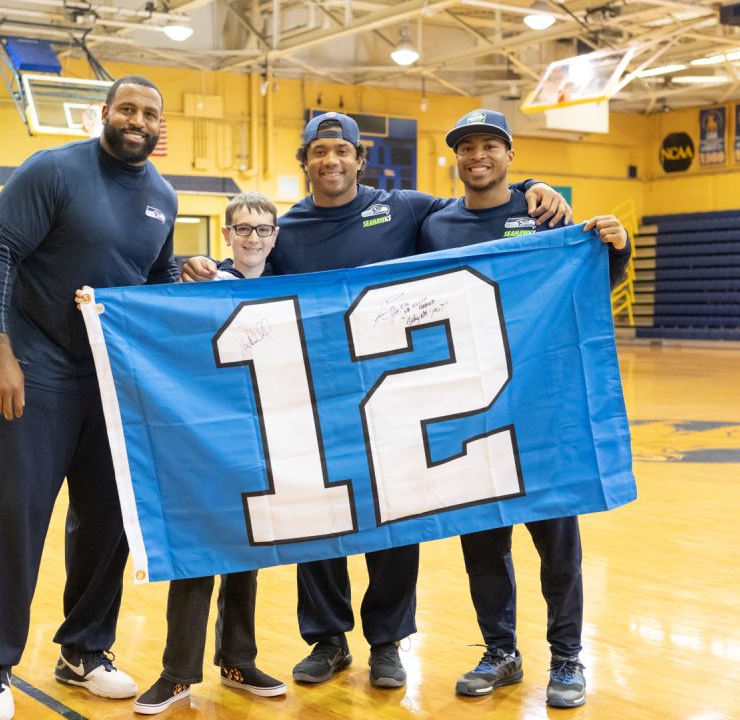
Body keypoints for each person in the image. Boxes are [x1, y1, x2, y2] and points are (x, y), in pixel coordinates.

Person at [180, 112, 573, 690]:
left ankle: (387, 642)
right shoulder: (287, 229)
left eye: (342, 150)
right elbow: (249, 278)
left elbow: (479, 202)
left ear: (361, 160)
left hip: (393, 397)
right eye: (319, 152)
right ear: (306, 162)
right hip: (318, 400)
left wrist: (527, 189)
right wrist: (202, 269)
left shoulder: (407, 209)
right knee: (318, 519)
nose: (331, 160)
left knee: (396, 522)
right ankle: (328, 639)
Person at [0, 75, 178, 720]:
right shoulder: (53, 170)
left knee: (107, 524)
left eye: (149, 113)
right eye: (128, 109)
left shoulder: (163, 196)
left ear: (158, 126)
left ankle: (84, 650)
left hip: (113, 382)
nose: (137, 120)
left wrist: (191, 277)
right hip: (39, 370)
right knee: (17, 515)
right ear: (105, 113)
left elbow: (155, 281)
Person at [418, 108, 630, 709]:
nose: (477, 156)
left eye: (489, 146)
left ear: (510, 154)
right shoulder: (436, 224)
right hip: (468, 413)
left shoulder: (541, 213)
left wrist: (616, 248)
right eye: (466, 148)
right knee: (482, 547)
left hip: (540, 408)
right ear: (455, 158)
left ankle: (566, 658)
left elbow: (584, 279)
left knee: (557, 545)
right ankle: (501, 652)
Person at [125, 193, 287, 714]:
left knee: (249, 555)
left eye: (263, 230)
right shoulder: (198, 284)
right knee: (197, 554)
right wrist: (102, 307)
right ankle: (177, 673)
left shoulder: (294, 289)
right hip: (202, 438)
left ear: (275, 236)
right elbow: (151, 318)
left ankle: (238, 659)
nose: (253, 238)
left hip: (262, 439)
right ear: (226, 235)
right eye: (243, 229)